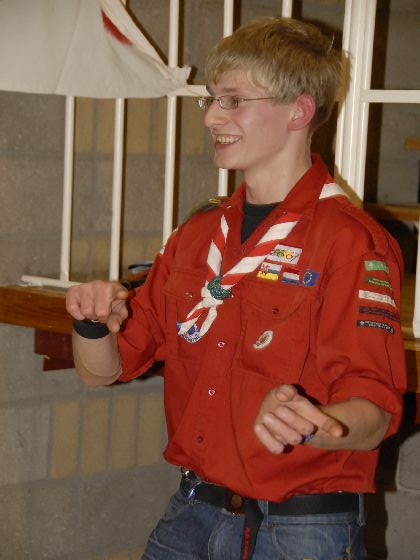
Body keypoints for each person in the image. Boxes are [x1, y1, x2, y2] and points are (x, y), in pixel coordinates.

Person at [66, 16, 407, 560]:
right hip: (191, 513)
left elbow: (377, 412)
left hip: (300, 530)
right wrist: (90, 324)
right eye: (212, 99)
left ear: (298, 111)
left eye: (233, 100)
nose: (211, 117)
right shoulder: (197, 235)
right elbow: (101, 371)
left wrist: (314, 424)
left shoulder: (350, 242)